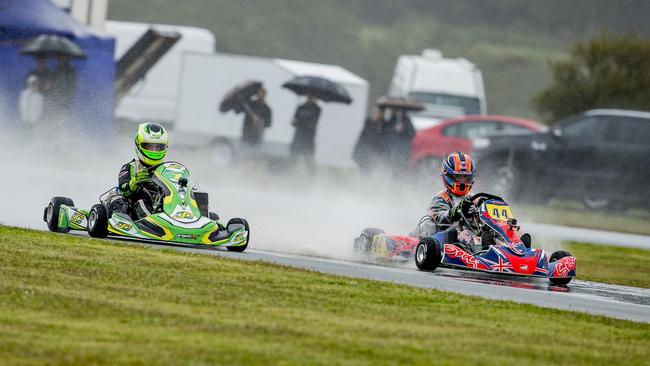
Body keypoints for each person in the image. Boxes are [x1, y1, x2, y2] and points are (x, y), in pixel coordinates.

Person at [418, 151, 481, 253]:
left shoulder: (474, 199)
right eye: (458, 177)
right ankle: (479, 254)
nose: (462, 181)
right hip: (444, 238)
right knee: (463, 234)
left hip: (471, 236)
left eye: (465, 177)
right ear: (449, 176)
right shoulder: (441, 198)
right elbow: (440, 218)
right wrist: (457, 211)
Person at [110, 123, 169, 220]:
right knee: (140, 201)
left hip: (157, 205)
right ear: (139, 145)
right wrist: (135, 181)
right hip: (132, 204)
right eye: (150, 147)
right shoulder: (130, 167)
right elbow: (123, 190)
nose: (154, 151)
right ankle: (152, 223)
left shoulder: (167, 169)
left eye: (158, 147)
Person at [289, 94, 321, 174]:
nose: (310, 98)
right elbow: (295, 121)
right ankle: (288, 175)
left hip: (308, 138)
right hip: (298, 137)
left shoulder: (317, 109)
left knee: (309, 160)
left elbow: (312, 123)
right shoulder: (300, 107)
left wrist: (301, 122)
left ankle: (311, 178)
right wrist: (295, 122)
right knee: (293, 158)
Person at [352, 106, 386, 174]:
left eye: (376, 113)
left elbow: (381, 142)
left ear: (381, 114)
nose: (374, 114)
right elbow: (372, 139)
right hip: (362, 153)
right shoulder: (369, 123)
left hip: (372, 154)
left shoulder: (383, 125)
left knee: (371, 171)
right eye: (373, 112)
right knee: (366, 170)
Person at [385, 108, 415, 178]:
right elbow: (386, 134)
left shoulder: (407, 120)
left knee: (402, 170)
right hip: (393, 151)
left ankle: (400, 183)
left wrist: (403, 129)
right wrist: (394, 129)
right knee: (394, 170)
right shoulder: (391, 121)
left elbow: (412, 133)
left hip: (404, 151)